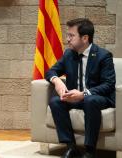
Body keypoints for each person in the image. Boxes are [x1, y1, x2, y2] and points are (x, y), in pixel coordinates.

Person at [46, 18, 115, 158]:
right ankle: (71, 147)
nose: (67, 39)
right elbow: (50, 71)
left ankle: (90, 150)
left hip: (97, 98)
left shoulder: (103, 56)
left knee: (90, 101)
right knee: (55, 101)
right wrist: (57, 81)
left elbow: (108, 84)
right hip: (74, 97)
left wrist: (84, 94)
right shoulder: (68, 54)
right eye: (68, 35)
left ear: (85, 38)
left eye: (71, 36)